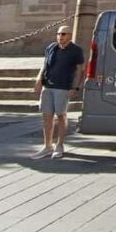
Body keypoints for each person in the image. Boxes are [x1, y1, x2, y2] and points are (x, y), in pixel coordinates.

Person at [33, 25, 85, 159]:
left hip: (63, 87)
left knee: (61, 116)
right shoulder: (51, 48)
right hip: (48, 86)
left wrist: (75, 88)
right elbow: (45, 65)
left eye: (64, 34)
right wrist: (39, 79)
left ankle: (59, 145)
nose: (60, 37)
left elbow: (80, 70)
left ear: (69, 35)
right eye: (59, 34)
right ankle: (47, 146)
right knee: (47, 116)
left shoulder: (76, 51)